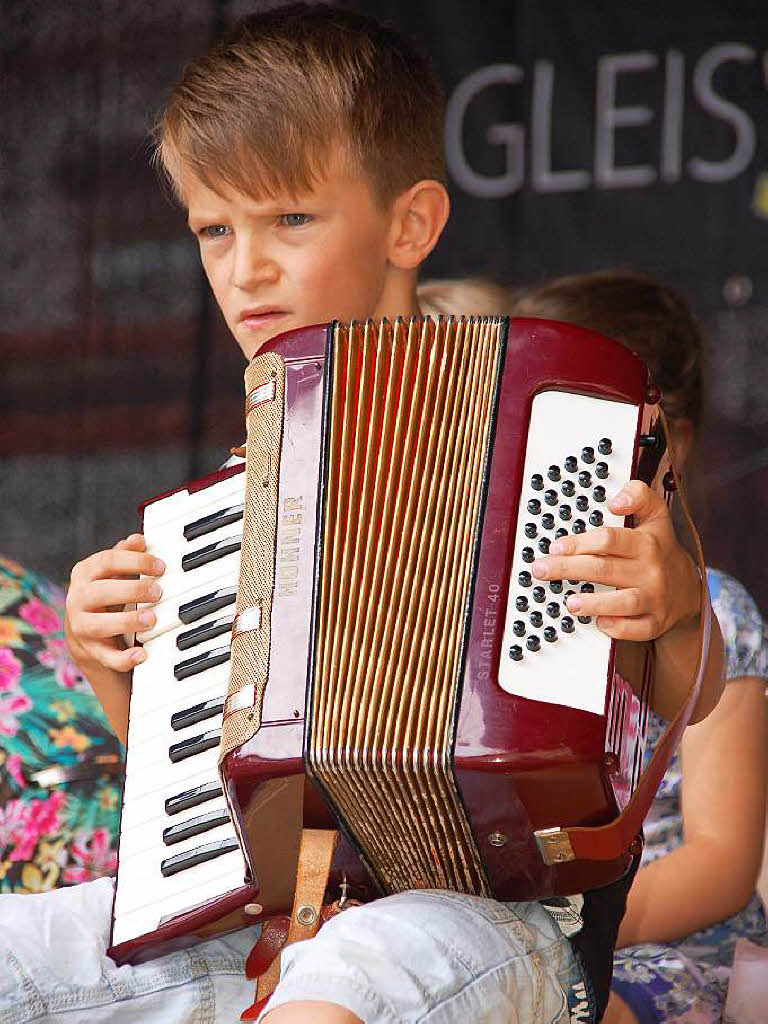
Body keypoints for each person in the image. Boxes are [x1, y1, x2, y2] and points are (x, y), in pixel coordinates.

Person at [3, 7, 724, 1023]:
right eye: (216, 229)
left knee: (362, 974)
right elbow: (214, 800)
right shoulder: (242, 491)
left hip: (495, 923)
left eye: (289, 219)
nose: (243, 267)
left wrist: (679, 607)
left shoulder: (544, 422)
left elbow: (684, 698)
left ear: (410, 225)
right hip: (271, 924)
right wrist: (120, 667)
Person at [513, 270, 768, 1024]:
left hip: (673, 949)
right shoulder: (507, 611)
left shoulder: (717, 607)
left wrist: (570, 944)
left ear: (672, 446)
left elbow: (721, 866)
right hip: (531, 935)